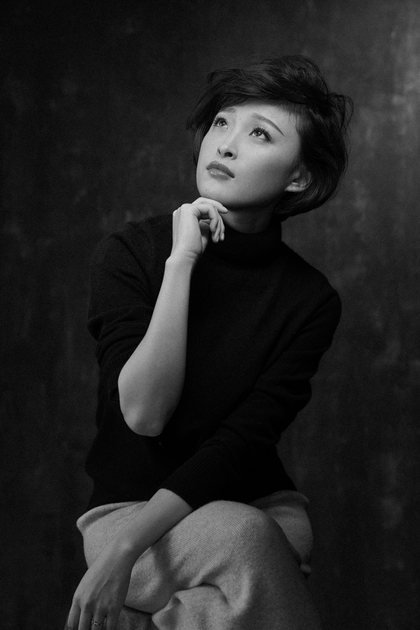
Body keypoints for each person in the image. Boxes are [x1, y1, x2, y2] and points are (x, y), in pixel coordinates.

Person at [66, 55, 353, 630]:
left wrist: (125, 555)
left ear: (299, 178)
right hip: (130, 509)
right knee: (248, 543)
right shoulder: (131, 253)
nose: (225, 144)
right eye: (222, 122)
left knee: (255, 538)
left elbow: (242, 441)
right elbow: (144, 415)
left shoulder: (310, 299)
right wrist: (182, 263)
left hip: (254, 502)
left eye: (259, 134)